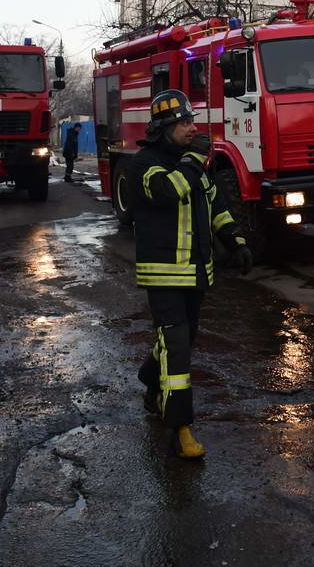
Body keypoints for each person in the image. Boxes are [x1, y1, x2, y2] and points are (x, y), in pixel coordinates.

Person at [127, 89, 253, 459]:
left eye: (191, 121)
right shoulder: (145, 165)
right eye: (183, 123)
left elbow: (215, 203)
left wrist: (236, 239)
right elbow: (168, 192)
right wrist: (195, 160)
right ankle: (180, 427)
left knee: (181, 341)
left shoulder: (192, 163)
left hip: (197, 275)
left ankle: (150, 377)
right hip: (164, 276)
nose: (192, 128)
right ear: (164, 128)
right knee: (178, 350)